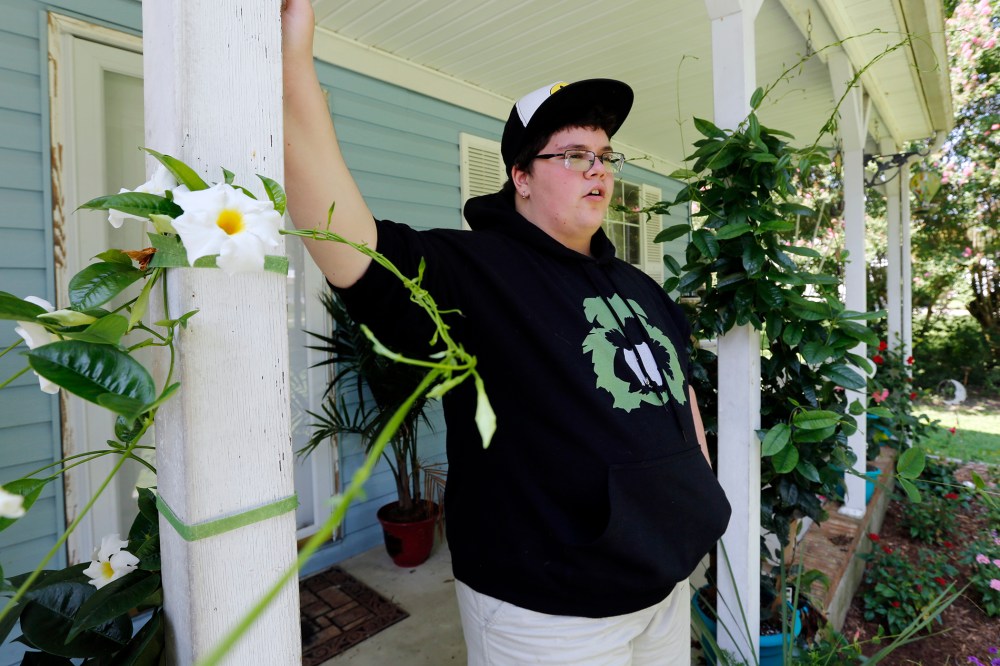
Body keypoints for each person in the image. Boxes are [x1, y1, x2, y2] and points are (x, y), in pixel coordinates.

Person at [281, 2, 731, 663]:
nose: (599, 170)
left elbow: (678, 392)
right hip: (549, 610)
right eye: (574, 154)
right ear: (520, 177)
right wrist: (292, 68)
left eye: (605, 155)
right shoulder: (477, 271)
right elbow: (354, 248)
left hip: (662, 586)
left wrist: (694, 495)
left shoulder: (641, 287)